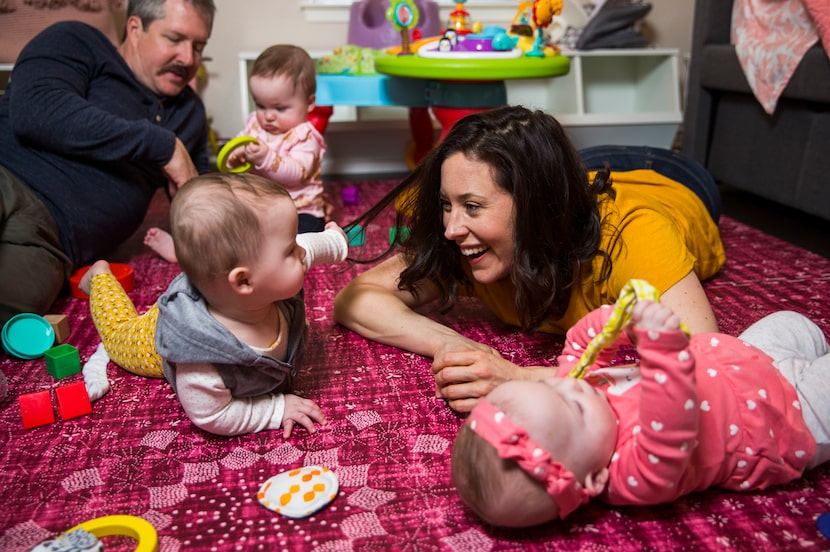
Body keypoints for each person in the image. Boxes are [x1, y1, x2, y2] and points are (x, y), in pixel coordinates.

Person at [333, 105, 727, 413]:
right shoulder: (468, 243)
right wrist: (452, 345)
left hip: (675, 178)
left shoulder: (632, 234)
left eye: (471, 206)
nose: (452, 228)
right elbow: (355, 299)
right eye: (446, 205)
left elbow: (707, 369)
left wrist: (520, 377)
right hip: (576, 171)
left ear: (536, 209)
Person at [451, 299, 830, 527]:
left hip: (743, 357)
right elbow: (672, 420)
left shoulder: (570, 390)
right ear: (595, 478)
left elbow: (582, 345)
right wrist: (661, 351)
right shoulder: (634, 476)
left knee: (793, 324)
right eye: (575, 406)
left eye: (546, 386)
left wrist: (618, 321)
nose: (571, 383)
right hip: (784, 419)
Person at [79, 172, 349, 437]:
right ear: (243, 281)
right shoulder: (200, 357)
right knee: (117, 333)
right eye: (290, 250)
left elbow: (304, 246)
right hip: (151, 340)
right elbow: (212, 415)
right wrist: (275, 410)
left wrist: (335, 242)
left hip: (219, 292)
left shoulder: (267, 271)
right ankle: (100, 276)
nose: (300, 251)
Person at [0, 0, 216, 328]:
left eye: (198, 46)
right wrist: (163, 145)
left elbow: (203, 195)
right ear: (134, 28)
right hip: (6, 176)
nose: (188, 59)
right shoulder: (77, 40)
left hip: (53, 239)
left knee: (17, 306)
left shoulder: (190, 112)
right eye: (174, 39)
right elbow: (35, 109)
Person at [145, 43, 328, 262]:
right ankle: (187, 250)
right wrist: (235, 158)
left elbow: (296, 174)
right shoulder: (255, 125)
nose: (268, 116)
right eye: (260, 105)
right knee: (226, 225)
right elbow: (238, 152)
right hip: (256, 207)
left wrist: (266, 159)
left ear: (309, 103)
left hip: (299, 211)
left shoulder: (306, 137)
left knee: (293, 246)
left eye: (279, 108)